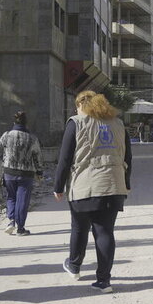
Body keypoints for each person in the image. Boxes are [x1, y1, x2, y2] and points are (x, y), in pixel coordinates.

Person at [53, 90, 132, 293]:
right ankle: (104, 280)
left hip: (85, 186)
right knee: (105, 231)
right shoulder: (118, 123)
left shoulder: (76, 122)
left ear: (81, 105)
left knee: (79, 227)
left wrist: (58, 186)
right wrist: (126, 182)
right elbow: (127, 156)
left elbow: (65, 158)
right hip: (114, 185)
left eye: (77, 106)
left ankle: (74, 265)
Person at [0, 111, 42, 236]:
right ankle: (21, 228)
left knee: (11, 197)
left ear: (14, 122)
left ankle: (11, 221)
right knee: (22, 200)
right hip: (26, 174)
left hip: (9, 172)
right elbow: (37, 157)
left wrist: (6, 160)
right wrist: (39, 172)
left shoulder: (6, 135)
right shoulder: (32, 138)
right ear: (26, 123)